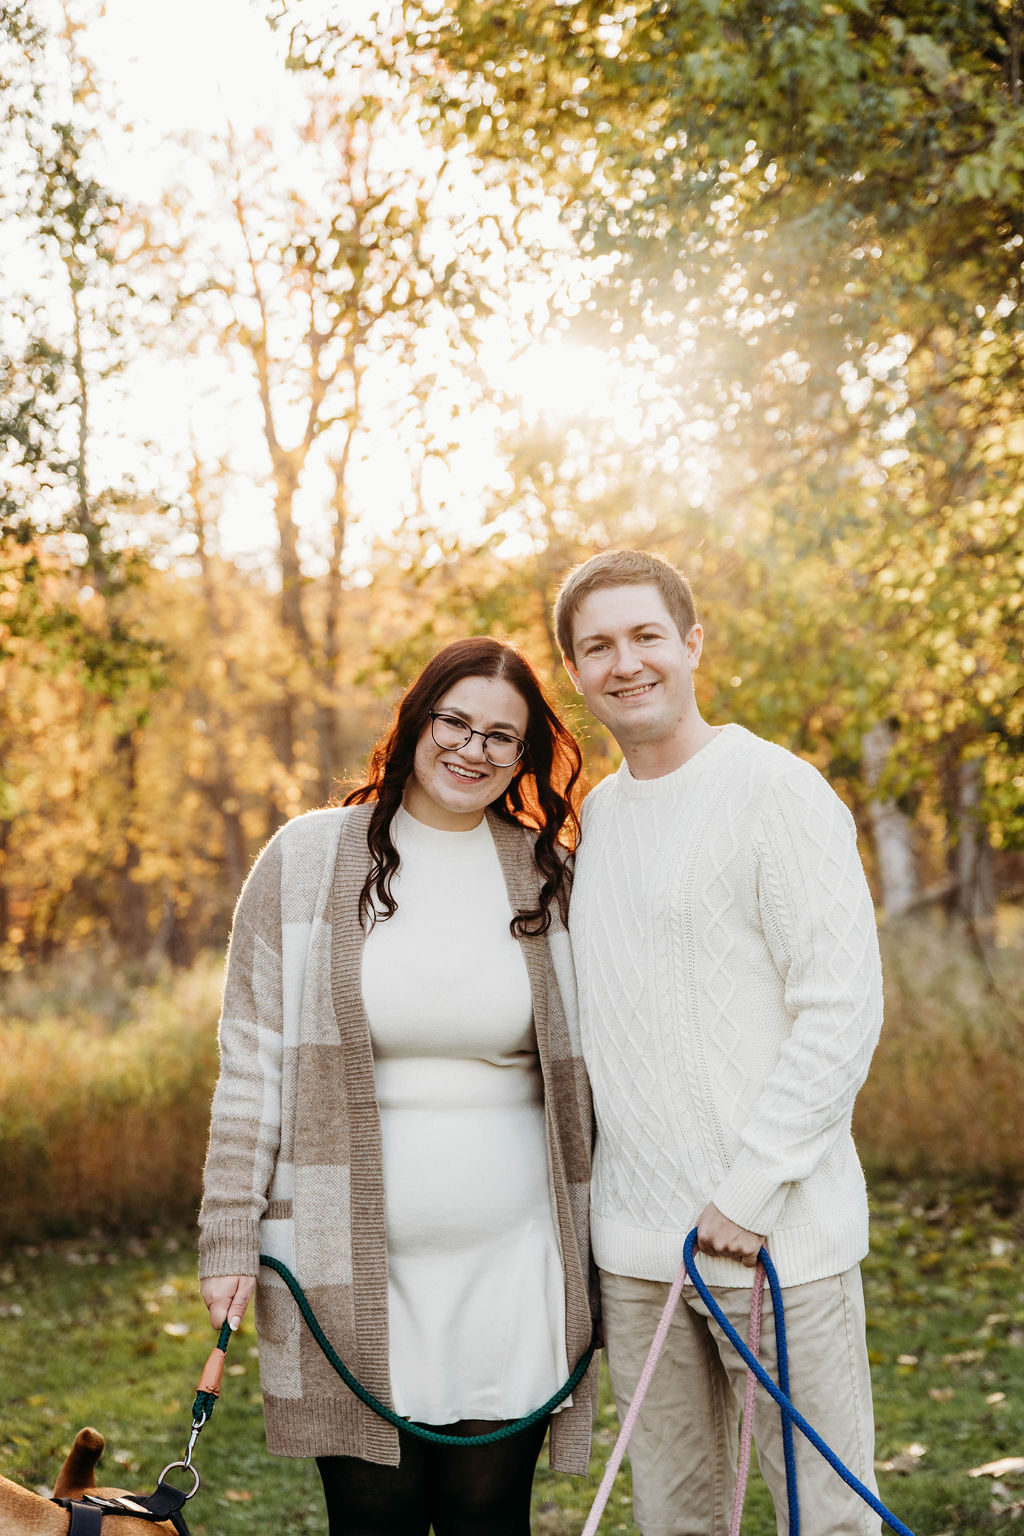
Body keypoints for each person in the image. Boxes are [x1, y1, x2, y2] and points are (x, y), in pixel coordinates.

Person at [197, 636, 598, 1536]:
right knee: (369, 1520)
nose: (473, 749)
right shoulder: (305, 861)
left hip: (515, 1269)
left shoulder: (549, 878)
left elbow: (606, 1067)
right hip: (344, 1266)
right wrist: (228, 1233)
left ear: (525, 756)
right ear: (417, 723)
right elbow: (249, 1066)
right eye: (455, 721)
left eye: (503, 735)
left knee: (488, 1520)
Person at [554, 549, 884, 1536]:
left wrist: (749, 1190)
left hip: (774, 1243)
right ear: (574, 672)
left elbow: (839, 1005)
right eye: (597, 646)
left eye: (646, 636)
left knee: (824, 1520)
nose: (627, 664)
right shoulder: (598, 819)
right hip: (638, 1257)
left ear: (692, 643)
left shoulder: (773, 790)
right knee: (676, 1523)